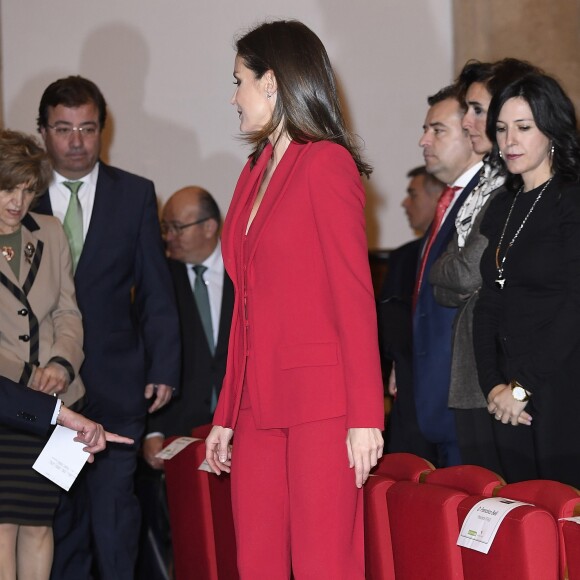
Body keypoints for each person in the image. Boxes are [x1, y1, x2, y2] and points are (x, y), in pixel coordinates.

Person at [205, 20, 384, 579]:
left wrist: (366, 417)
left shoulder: (326, 163)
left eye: (239, 81)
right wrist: (225, 415)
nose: (232, 96)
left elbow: (353, 296)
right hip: (257, 404)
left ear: (273, 82)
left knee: (322, 564)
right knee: (255, 563)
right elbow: (244, 309)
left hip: (323, 408)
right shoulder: (252, 170)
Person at [34, 76, 180, 580]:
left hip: (118, 382)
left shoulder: (134, 194)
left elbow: (157, 290)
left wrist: (163, 365)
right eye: (64, 128)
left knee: (115, 514)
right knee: (58, 517)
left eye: (88, 128)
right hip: (46, 388)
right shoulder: (19, 199)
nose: (76, 141)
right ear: (43, 132)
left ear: (103, 131)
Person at [0, 129, 132, 580]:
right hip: (7, 404)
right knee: (2, 528)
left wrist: (60, 363)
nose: (17, 201)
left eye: (25, 189)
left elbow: (67, 311)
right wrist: (27, 374)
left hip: (60, 402)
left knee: (40, 523)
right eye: (6, 188)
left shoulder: (50, 231)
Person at [429, 59, 538, 473]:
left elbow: (468, 274)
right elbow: (443, 286)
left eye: (478, 109)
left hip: (509, 378)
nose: (469, 121)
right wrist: (452, 271)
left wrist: (452, 270)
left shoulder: (511, 189)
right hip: (476, 375)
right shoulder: (485, 186)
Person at [473, 72, 580, 488]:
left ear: (551, 130)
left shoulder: (570, 199)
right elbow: (488, 302)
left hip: (560, 390)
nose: (509, 141)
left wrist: (521, 389)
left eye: (523, 128)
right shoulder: (502, 206)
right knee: (521, 528)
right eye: (501, 129)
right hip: (506, 399)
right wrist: (493, 388)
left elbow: (575, 305)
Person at [137, 186, 233, 579]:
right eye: (165, 227)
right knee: (185, 540)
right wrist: (153, 429)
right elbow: (143, 357)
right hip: (179, 433)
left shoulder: (244, 269)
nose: (168, 237)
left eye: (177, 227)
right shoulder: (157, 278)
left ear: (210, 227)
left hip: (241, 431)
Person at [414, 84, 484, 466]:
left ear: (472, 131)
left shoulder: (489, 194)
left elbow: (463, 275)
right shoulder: (450, 199)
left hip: (468, 399)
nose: (424, 140)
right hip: (438, 395)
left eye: (437, 130)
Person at [378, 166, 443, 460]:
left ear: (439, 198)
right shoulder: (403, 258)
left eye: (412, 194)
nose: (405, 203)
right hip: (407, 407)